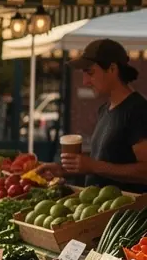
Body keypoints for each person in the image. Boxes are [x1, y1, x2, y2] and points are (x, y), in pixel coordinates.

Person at [61, 38, 147, 192]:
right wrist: (64, 169)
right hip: (98, 210)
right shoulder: (104, 109)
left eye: (90, 73)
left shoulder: (138, 110)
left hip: (125, 213)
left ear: (112, 69)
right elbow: (104, 161)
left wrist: (94, 166)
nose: (85, 81)